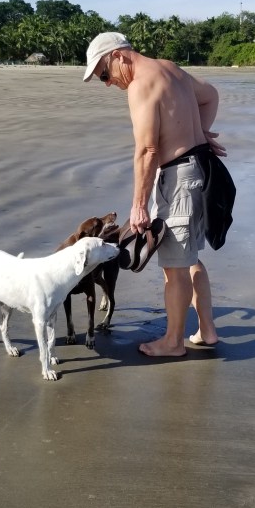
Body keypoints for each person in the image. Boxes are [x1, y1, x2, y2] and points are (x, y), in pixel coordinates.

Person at [83, 32, 228, 358]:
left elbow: (147, 150)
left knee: (174, 267)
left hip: (179, 179)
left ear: (118, 56)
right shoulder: (171, 69)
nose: (108, 83)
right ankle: (207, 329)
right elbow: (211, 96)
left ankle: (173, 342)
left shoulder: (140, 85)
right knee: (189, 257)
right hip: (199, 170)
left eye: (104, 74)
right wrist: (202, 133)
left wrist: (138, 205)